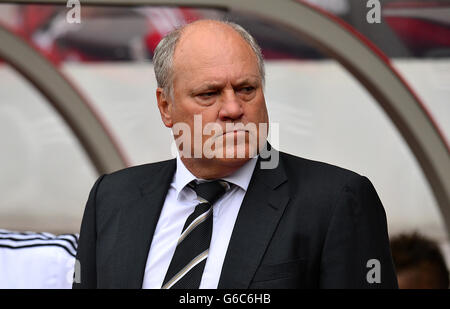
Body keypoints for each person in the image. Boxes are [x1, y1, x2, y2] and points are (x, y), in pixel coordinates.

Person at [73, 19, 398, 289]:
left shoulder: (335, 200)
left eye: (246, 89)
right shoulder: (112, 197)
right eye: (209, 93)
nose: (232, 109)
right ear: (165, 106)